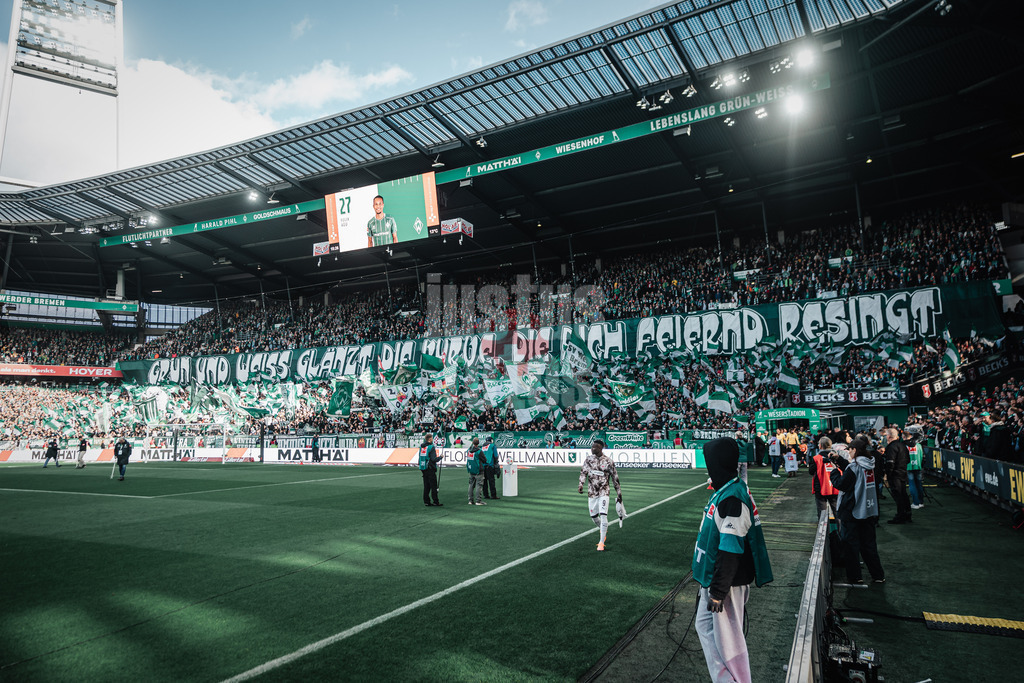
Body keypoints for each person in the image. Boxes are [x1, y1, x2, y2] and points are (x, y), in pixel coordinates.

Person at [692, 438, 773, 683]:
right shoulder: (727, 489)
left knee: (729, 643)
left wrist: (718, 589)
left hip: (726, 584)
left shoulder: (733, 498)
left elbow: (731, 548)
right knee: (705, 629)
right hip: (714, 578)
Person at [828, 438, 885, 584]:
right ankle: (878, 575)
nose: (849, 453)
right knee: (869, 545)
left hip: (853, 511)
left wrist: (833, 472)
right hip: (869, 510)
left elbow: (842, 483)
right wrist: (839, 460)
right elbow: (853, 472)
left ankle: (855, 577)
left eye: (850, 450)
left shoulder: (855, 466)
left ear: (854, 450)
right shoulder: (869, 464)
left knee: (850, 546)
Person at [577, 439, 622, 552]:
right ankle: (603, 530)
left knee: (603, 515)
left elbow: (615, 478)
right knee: (594, 517)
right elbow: (583, 472)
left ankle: (601, 542)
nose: (592, 449)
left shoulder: (608, 461)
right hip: (592, 492)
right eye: (592, 447)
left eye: (595, 447)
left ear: (601, 448)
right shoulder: (588, 459)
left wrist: (619, 493)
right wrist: (581, 484)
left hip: (604, 491)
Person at [883, 427, 912, 524]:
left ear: (889, 436)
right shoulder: (902, 445)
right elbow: (908, 459)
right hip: (902, 473)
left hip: (895, 474)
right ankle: (907, 514)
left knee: (898, 495)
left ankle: (901, 516)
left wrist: (888, 474)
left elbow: (890, 462)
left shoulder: (892, 447)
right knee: (903, 494)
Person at [810, 437, 839, 516]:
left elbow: (811, 471)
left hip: (820, 487)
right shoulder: (837, 457)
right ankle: (840, 528)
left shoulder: (816, 458)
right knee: (837, 512)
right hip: (835, 487)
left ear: (820, 446)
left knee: (823, 514)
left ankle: (825, 528)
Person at [904, 425, 925, 510]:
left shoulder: (905, 445)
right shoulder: (919, 445)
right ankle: (920, 502)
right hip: (918, 466)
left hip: (909, 467)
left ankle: (916, 503)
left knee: (912, 485)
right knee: (919, 484)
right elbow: (922, 457)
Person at [419, 432, 443, 507]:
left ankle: (426, 501)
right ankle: (435, 501)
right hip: (430, 468)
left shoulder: (422, 447)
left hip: (423, 467)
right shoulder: (431, 447)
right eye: (432, 438)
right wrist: (440, 457)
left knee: (426, 486)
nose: (432, 439)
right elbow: (433, 459)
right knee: (433, 486)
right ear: (429, 439)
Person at [466, 437, 486, 505]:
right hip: (478, 470)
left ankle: (470, 500)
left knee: (471, 485)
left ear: (472, 442)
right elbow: (484, 460)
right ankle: (478, 501)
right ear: (478, 443)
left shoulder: (469, 450)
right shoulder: (479, 451)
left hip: (471, 469)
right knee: (479, 485)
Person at [482, 436, 500, 500]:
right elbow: (495, 455)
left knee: (484, 481)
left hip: (483, 466)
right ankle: (493, 495)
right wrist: (496, 463)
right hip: (490, 465)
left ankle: (485, 494)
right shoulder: (492, 446)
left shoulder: (482, 446)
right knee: (491, 481)